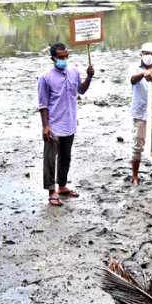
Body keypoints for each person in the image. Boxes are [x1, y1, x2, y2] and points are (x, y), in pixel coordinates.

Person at [38, 43, 94, 206]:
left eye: (66, 56)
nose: (64, 59)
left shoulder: (74, 72)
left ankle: (62, 186)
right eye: (61, 57)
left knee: (65, 157)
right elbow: (43, 104)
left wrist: (89, 77)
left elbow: (81, 90)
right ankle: (51, 190)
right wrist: (45, 126)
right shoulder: (46, 78)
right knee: (50, 159)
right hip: (53, 125)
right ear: (53, 58)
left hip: (69, 123)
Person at [129, 42, 152, 185]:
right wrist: (144, 73)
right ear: (141, 54)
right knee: (138, 144)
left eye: (151, 54)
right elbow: (133, 79)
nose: (149, 56)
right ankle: (135, 176)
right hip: (140, 111)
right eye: (146, 53)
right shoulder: (134, 67)